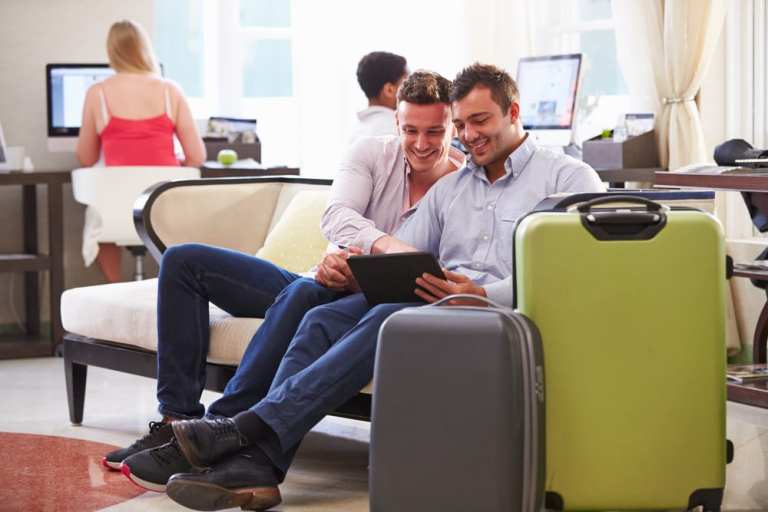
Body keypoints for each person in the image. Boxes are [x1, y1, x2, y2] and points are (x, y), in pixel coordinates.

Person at [158, 63, 605, 511]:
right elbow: (404, 254)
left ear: (514, 112)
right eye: (463, 124)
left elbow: (569, 269)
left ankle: (243, 429)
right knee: (320, 317)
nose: (469, 135)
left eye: (480, 120)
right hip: (436, 301)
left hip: (499, 312)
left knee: (389, 317)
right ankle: (257, 467)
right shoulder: (451, 188)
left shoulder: (567, 178)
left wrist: (486, 293)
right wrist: (352, 267)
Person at [105, 71, 464, 491]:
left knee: (306, 293)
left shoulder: (462, 185)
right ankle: (176, 421)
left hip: (354, 300)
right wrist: (374, 251)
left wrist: (369, 269)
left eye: (434, 131)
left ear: (453, 126)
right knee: (184, 261)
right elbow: (337, 216)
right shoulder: (371, 153)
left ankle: (219, 425)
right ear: (396, 123)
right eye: (410, 130)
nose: (421, 143)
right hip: (323, 282)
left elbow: (441, 271)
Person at [76, 20, 206, 283]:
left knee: (100, 217)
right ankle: (167, 288)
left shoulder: (97, 93)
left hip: (117, 208)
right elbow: (197, 157)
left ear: (112, 51)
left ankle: (115, 287)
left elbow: (86, 157)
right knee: (173, 222)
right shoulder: (171, 91)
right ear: (145, 49)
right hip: (161, 207)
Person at [349, 51, 409, 144]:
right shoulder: (397, 131)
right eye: (407, 84)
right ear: (389, 90)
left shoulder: (357, 131)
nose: (413, 90)